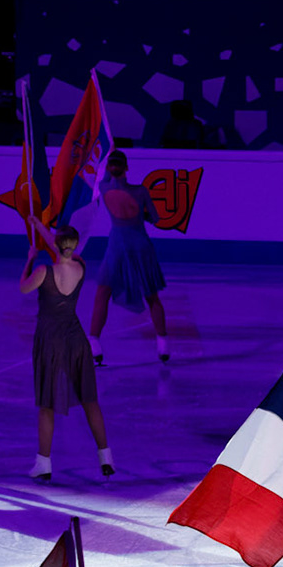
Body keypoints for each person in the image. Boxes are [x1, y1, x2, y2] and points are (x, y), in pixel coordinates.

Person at [21, 225, 113, 481]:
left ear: (56, 245)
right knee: (90, 400)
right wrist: (38, 224)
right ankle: (106, 457)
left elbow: (23, 287)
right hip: (76, 340)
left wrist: (30, 258)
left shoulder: (43, 272)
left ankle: (43, 463)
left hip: (50, 341)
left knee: (47, 405)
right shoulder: (81, 267)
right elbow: (59, 245)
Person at [90, 150, 170, 365]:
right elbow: (155, 218)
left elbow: (104, 176)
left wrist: (109, 157)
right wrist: (141, 214)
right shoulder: (141, 191)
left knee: (102, 293)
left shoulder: (104, 188)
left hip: (117, 246)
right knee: (152, 296)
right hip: (140, 245)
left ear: (110, 169)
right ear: (126, 168)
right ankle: (163, 343)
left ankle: (94, 340)